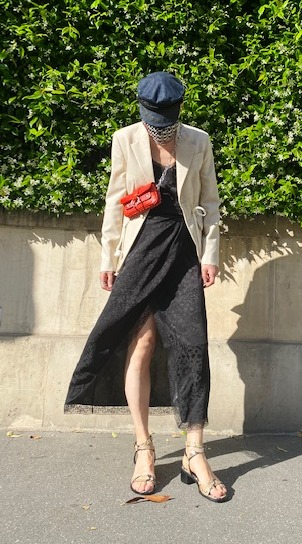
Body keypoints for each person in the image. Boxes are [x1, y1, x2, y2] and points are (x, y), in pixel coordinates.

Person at [65, 71, 227, 503]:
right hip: (140, 251)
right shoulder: (125, 139)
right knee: (141, 344)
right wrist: (108, 258)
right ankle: (144, 447)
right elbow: (115, 203)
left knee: (194, 345)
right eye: (152, 119)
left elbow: (210, 203)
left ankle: (194, 452)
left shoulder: (198, 141)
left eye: (165, 120)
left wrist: (210, 255)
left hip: (183, 252)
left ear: (178, 110)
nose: (158, 128)